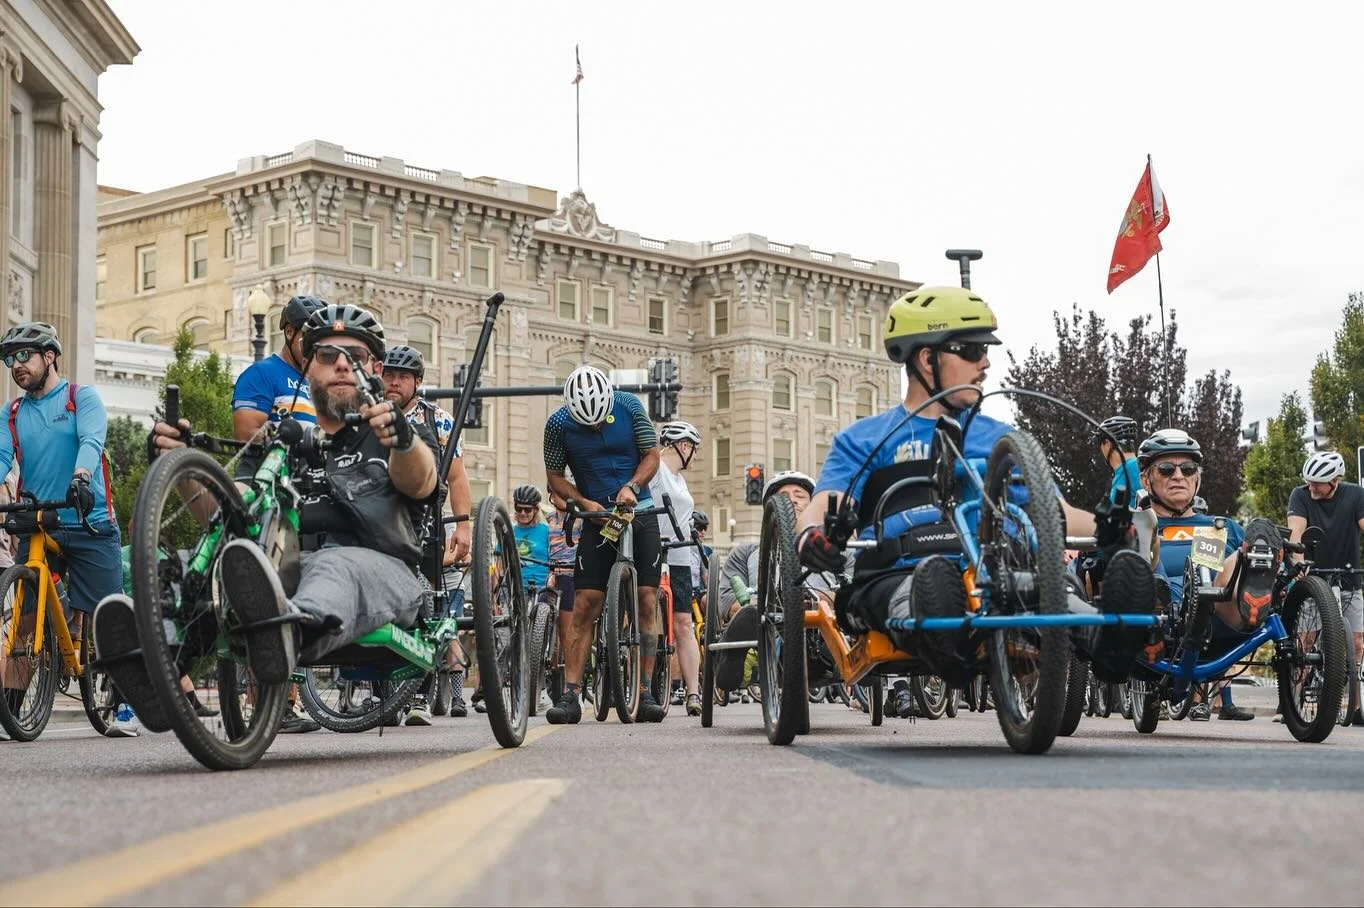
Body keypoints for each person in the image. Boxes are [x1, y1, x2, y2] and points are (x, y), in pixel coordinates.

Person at [95, 303, 443, 729]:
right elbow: (228, 509)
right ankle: (157, 662)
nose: (340, 365)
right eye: (326, 356)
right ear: (307, 370)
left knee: (333, 566)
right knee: (207, 562)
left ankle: (286, 630)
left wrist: (402, 442)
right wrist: (180, 463)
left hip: (381, 570)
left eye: (353, 355)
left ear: (373, 367)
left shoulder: (396, 430)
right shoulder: (285, 444)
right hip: (284, 571)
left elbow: (421, 481)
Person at [792, 286, 1154, 662]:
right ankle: (945, 632)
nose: (985, 363)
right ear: (927, 358)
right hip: (902, 570)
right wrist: (812, 536)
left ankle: (1112, 636)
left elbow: (1057, 513)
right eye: (971, 351)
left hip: (1003, 569)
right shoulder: (864, 438)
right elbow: (825, 505)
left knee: (1053, 591)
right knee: (927, 593)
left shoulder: (1005, 440)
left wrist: (1111, 527)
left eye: (986, 351)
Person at [0, 322, 133, 737]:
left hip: (88, 521)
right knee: (23, 620)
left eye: (24, 356)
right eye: (9, 359)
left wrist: (80, 477)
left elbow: (91, 442)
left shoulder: (81, 398)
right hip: (40, 521)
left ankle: (120, 703)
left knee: (108, 617)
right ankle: (13, 711)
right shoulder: (12, 412)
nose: (16, 366)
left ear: (49, 357)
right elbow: (2, 457)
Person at [542, 364, 663, 725]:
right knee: (584, 604)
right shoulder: (558, 424)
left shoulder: (629, 405)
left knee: (645, 599)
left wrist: (633, 487)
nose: (594, 428)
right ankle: (571, 694)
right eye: (587, 424)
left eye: (599, 422)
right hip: (598, 518)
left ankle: (646, 690)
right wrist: (582, 502)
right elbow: (554, 476)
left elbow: (652, 454)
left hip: (638, 510)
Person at [229, 294, 325, 733]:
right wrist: (282, 429)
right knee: (270, 590)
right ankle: (274, 703)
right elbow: (246, 428)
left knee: (301, 594)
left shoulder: (324, 381)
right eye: (311, 336)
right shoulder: (263, 374)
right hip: (269, 493)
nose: (318, 345)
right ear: (289, 332)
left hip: (315, 496)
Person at [1137, 428, 1268, 721]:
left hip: (1219, 614)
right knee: (1140, 544)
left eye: (1188, 469)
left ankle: (1258, 577)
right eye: (1167, 469)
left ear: (1198, 477)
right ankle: (1158, 596)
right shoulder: (1136, 523)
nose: (1178, 476)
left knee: (1243, 553)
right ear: (1146, 479)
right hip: (1159, 622)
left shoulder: (1223, 526)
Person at [380, 343, 474, 724]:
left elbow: (456, 475)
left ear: (417, 382)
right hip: (384, 520)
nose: (394, 382)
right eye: (388, 375)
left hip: (429, 523)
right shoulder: (371, 412)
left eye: (402, 377)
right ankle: (383, 694)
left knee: (432, 608)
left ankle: (425, 695)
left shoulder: (438, 420)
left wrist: (464, 525)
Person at [1288, 450, 1364, 726]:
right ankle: (1290, 703)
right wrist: (1298, 564)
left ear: (1334, 480)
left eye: (1317, 482)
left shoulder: (1355, 495)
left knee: (1356, 642)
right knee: (1304, 644)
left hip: (1349, 579)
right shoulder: (1301, 496)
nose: (1311, 486)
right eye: (1308, 481)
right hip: (1313, 579)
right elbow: (1296, 534)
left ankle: (1355, 706)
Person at [650, 421, 703, 716]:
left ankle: (693, 692)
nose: (694, 456)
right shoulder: (655, 469)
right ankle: (641, 684)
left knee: (683, 622)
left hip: (680, 555)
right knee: (646, 618)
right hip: (653, 550)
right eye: (693, 450)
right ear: (683, 446)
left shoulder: (679, 479)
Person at [1095, 415, 1142, 505]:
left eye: (1100, 443)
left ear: (1108, 444)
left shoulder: (1134, 468)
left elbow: (1153, 512)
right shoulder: (1125, 470)